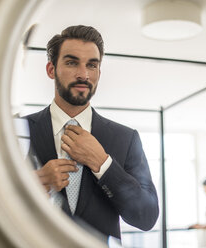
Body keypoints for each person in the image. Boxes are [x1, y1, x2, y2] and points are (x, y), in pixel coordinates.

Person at [25, 25, 159, 240]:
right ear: (51, 70)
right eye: (71, 62)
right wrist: (35, 182)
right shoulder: (18, 131)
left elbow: (146, 217)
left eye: (92, 65)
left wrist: (103, 164)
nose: (83, 75)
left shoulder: (126, 139)